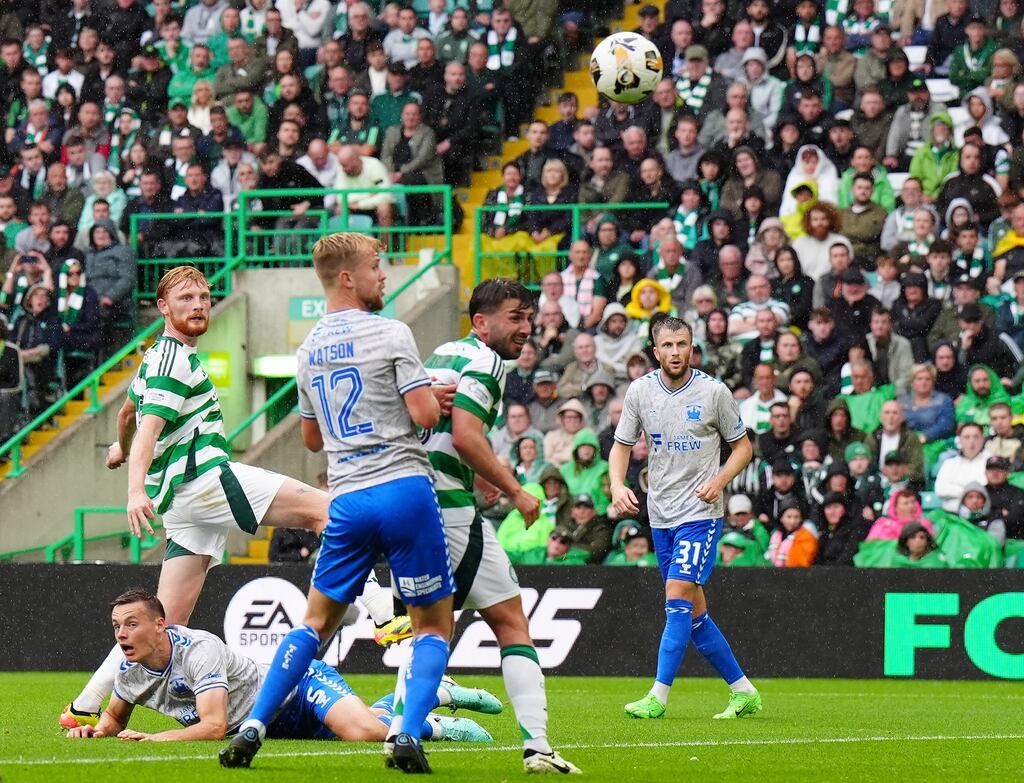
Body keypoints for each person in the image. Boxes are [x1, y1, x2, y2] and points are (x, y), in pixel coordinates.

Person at [59, 266, 391, 732]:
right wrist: (134, 488)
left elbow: (129, 412)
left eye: (205, 297)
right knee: (330, 510)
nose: (199, 305)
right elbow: (149, 426)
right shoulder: (174, 360)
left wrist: (121, 448)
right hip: (206, 480)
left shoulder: (155, 357)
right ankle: (385, 615)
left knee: (163, 622)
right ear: (163, 307)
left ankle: (84, 705)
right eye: (187, 298)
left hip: (183, 503)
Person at [219, 235, 457, 772]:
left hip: (346, 498)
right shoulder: (392, 332)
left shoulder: (307, 351)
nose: (384, 276)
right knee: (432, 627)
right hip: (403, 490)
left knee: (312, 624)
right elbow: (422, 416)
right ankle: (406, 736)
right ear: (347, 277)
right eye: (376, 267)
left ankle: (253, 726)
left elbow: (309, 440)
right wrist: (431, 398)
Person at [420, 278, 580, 774]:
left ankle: (404, 731)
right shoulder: (487, 363)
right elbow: (466, 437)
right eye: (516, 317)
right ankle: (538, 747)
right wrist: (514, 489)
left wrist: (479, 477)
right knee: (511, 623)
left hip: (417, 505)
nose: (527, 329)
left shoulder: (444, 355)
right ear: (481, 322)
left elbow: (440, 438)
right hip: (448, 513)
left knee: (430, 630)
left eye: (530, 318)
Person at [68, 590, 495, 745]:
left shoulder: (198, 650)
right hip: (268, 725)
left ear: (161, 624)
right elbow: (113, 718)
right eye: (116, 627)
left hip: (296, 689)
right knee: (373, 725)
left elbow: (215, 726)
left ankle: (437, 708)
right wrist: (95, 730)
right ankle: (431, 704)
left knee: (369, 734)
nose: (121, 634)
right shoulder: (128, 669)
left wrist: (154, 738)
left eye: (132, 624)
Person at [610, 316, 761, 721]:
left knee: (676, 599)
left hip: (700, 513)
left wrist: (720, 480)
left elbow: (743, 448)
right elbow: (621, 446)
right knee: (694, 616)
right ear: (655, 351)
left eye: (683, 344)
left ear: (692, 347)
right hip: (661, 516)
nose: (676, 352)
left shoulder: (713, 392)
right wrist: (616, 484)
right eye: (668, 346)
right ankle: (743, 690)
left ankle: (658, 696)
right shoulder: (641, 391)